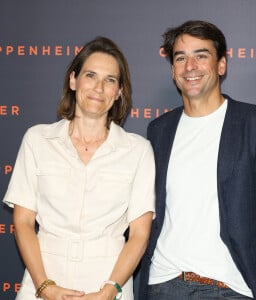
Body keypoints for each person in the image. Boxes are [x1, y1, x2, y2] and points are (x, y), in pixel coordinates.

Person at [138, 20, 256, 300]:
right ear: (173, 70)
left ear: (221, 65)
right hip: (163, 285)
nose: (190, 66)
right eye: (181, 58)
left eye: (201, 56)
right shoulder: (159, 130)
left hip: (230, 288)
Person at [3, 36, 155, 300]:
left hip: (108, 284)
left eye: (110, 80)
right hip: (42, 280)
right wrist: (44, 286)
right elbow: (24, 221)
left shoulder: (138, 150)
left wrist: (110, 290)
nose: (99, 87)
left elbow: (139, 234)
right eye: (91, 75)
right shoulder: (37, 140)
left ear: (119, 91)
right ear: (73, 81)